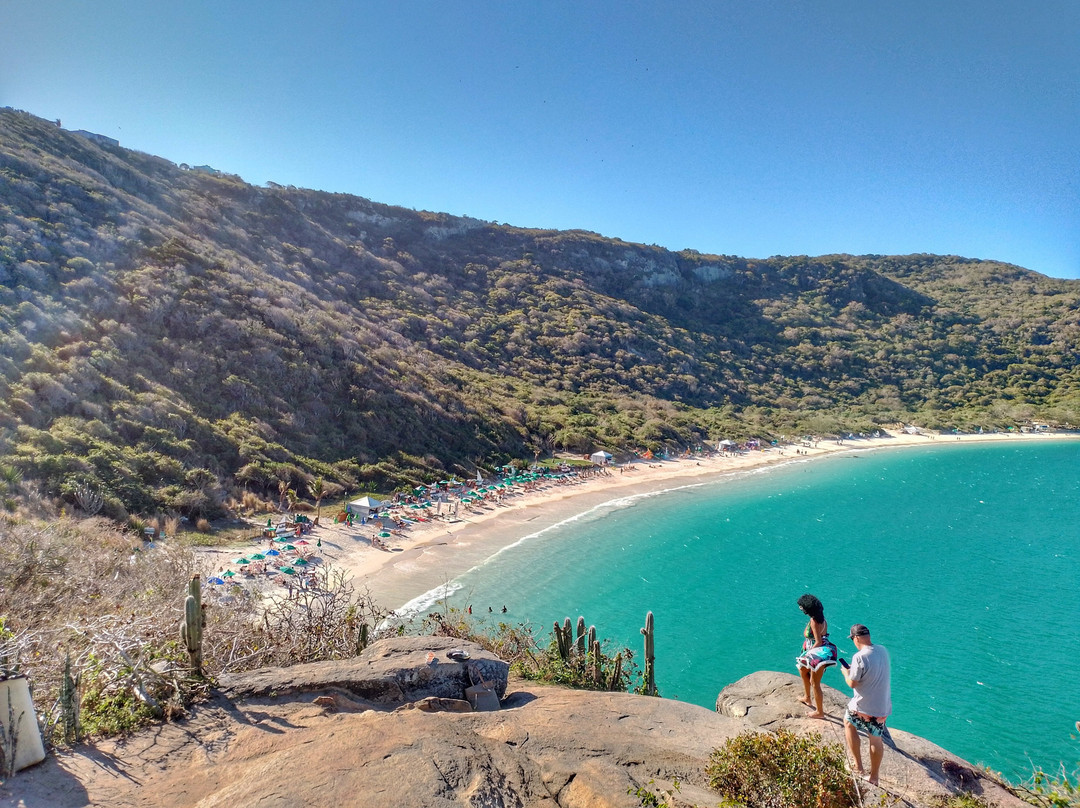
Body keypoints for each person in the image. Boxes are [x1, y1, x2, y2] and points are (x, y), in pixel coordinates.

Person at [841, 624, 891, 786]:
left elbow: (852, 684)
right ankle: (874, 777)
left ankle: (859, 767)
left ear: (856, 638)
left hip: (863, 707)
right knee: (875, 739)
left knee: (848, 723)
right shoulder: (883, 650)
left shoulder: (859, 657)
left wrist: (846, 673)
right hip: (882, 707)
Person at [794, 593, 837, 718]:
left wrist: (808, 654)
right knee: (802, 670)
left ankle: (820, 712)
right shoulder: (821, 619)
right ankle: (807, 697)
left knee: (814, 682)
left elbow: (818, 641)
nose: (800, 608)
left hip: (815, 651)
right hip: (812, 648)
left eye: (802, 607)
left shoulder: (814, 621)